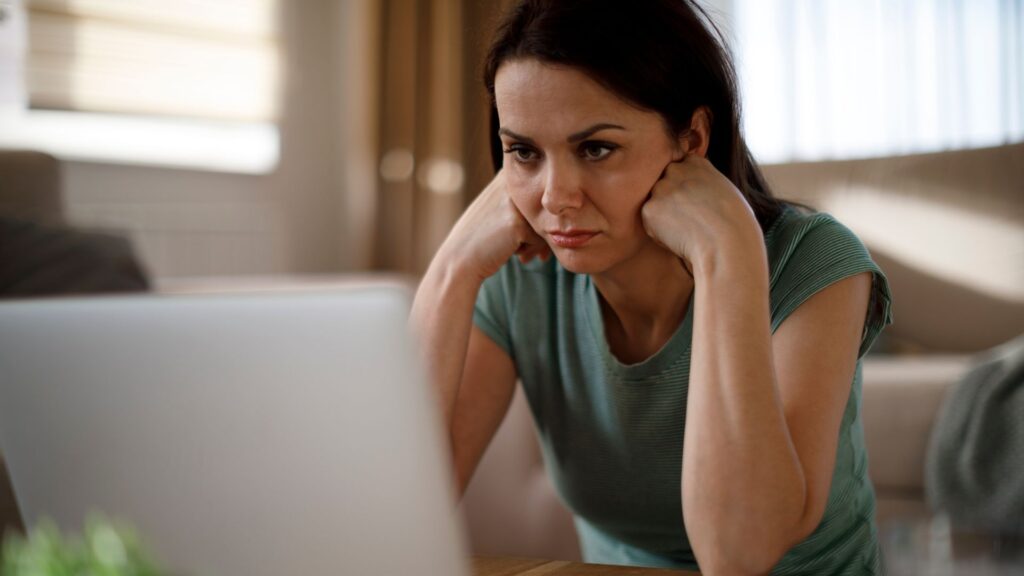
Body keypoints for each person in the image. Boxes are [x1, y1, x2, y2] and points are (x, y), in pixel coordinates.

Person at [410, 1, 893, 574]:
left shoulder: (813, 260)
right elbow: (389, 514)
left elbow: (738, 555)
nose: (554, 197)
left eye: (595, 149)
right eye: (524, 152)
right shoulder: (522, 279)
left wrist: (725, 254)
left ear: (691, 140)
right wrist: (450, 270)